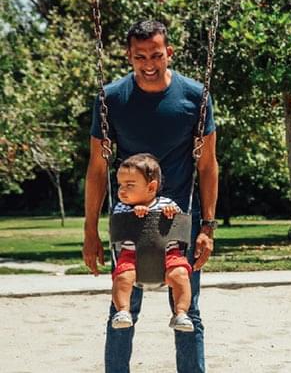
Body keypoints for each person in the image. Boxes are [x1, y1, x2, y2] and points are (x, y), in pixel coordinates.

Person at [82, 19, 218, 373]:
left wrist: (208, 227)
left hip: (178, 215)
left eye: (156, 55)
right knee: (123, 307)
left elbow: (207, 166)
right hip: (129, 215)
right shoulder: (111, 98)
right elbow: (97, 168)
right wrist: (90, 231)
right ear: (128, 55)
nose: (148, 63)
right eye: (139, 56)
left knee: (187, 308)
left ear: (168, 52)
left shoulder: (195, 97)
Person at [111, 153, 194, 332]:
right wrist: (133, 214)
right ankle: (123, 311)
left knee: (181, 275)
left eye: (130, 185)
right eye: (120, 185)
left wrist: (171, 213)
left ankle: (180, 313)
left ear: (151, 187)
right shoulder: (122, 207)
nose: (122, 190)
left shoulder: (166, 203)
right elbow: (118, 223)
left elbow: (178, 224)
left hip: (168, 255)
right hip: (131, 256)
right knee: (122, 277)